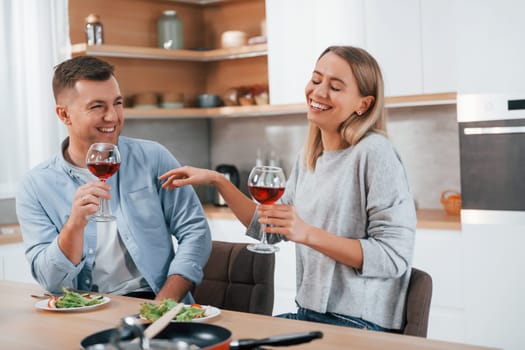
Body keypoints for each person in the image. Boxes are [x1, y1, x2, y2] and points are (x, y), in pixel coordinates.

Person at [159, 46, 416, 332]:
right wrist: (218, 181)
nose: (318, 92)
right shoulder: (311, 157)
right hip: (309, 315)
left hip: (360, 325)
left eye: (335, 87)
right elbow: (268, 228)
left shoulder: (374, 152)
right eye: (316, 80)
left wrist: (306, 233)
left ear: (363, 105)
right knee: (221, 337)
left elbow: (394, 258)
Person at [16, 56, 212, 303]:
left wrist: (164, 302)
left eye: (117, 103)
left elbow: (195, 230)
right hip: (84, 309)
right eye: (97, 106)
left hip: (156, 300)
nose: (113, 117)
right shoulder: (35, 186)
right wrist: (74, 225)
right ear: (64, 114)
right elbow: (50, 281)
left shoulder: (153, 158)